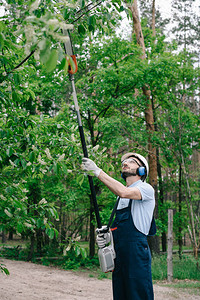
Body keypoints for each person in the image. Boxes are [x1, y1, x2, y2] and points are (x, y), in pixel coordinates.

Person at [82, 152, 156, 300]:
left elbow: (124, 192)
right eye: (125, 161)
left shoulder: (145, 189)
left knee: (138, 296)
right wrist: (107, 236)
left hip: (136, 255)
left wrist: (97, 172)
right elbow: (120, 227)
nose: (126, 163)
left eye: (132, 161)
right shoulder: (119, 198)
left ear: (142, 171)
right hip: (120, 255)